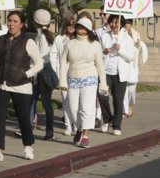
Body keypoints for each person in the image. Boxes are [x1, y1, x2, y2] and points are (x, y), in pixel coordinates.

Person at [0, 11, 43, 162]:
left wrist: (26, 74)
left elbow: (39, 63)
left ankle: (28, 146)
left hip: (21, 85)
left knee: (23, 117)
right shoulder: (0, 40)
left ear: (21, 24)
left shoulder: (28, 42)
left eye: (15, 21)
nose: (11, 24)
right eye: (9, 21)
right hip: (1, 83)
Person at [58, 17, 108, 148]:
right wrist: (62, 81)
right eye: (78, 26)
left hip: (90, 79)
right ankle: (79, 128)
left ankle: (85, 135)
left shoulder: (95, 44)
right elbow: (63, 63)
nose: (80, 28)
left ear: (89, 30)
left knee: (86, 108)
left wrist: (103, 84)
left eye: (83, 26)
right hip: (72, 79)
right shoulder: (70, 43)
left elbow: (100, 65)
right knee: (73, 109)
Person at [98, 14, 134, 135]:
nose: (114, 25)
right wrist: (105, 52)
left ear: (121, 23)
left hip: (120, 74)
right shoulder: (104, 36)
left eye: (116, 22)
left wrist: (120, 50)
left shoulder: (127, 38)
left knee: (118, 101)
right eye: (112, 22)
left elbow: (131, 56)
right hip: (106, 73)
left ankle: (117, 125)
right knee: (102, 97)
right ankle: (107, 119)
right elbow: (98, 55)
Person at [29, 10, 57, 141]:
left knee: (45, 104)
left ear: (35, 22)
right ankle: (28, 129)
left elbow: (40, 58)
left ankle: (50, 131)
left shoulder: (42, 37)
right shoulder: (42, 35)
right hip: (41, 71)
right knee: (32, 102)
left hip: (42, 73)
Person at [50, 16, 75, 135]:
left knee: (75, 101)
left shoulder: (78, 39)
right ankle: (68, 125)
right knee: (65, 101)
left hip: (76, 75)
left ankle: (76, 124)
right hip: (63, 75)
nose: (71, 27)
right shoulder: (59, 39)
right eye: (69, 24)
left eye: (73, 25)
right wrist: (56, 71)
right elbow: (53, 55)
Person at [123, 18, 144, 118]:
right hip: (123, 63)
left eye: (128, 23)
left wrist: (139, 43)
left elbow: (139, 48)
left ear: (131, 24)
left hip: (133, 65)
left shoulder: (136, 34)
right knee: (123, 89)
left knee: (131, 89)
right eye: (125, 23)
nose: (127, 25)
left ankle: (129, 105)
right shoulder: (121, 33)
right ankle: (124, 109)